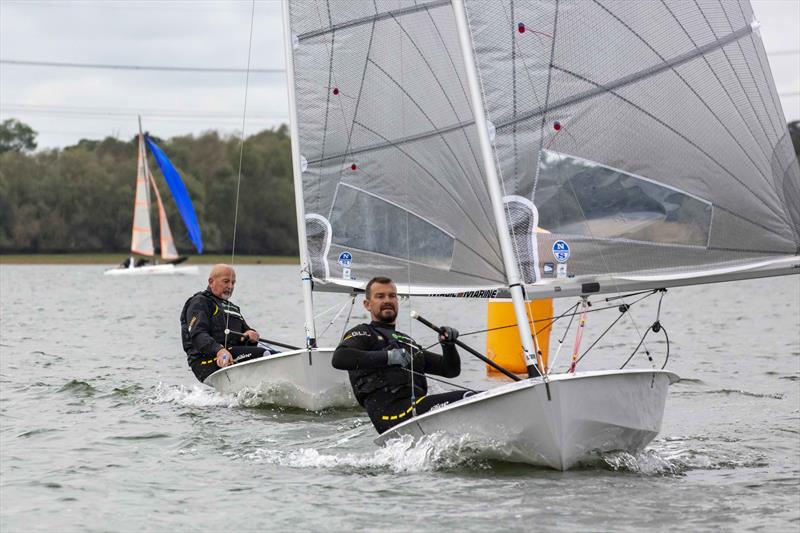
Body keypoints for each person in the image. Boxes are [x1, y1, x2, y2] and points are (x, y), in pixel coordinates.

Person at [333, 276, 469, 434]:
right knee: (468, 397)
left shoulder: (406, 341)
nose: (387, 300)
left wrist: (448, 346)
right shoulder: (363, 333)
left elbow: (450, 370)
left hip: (415, 409)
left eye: (392, 296)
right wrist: (389, 357)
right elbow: (339, 358)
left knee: (477, 397)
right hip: (390, 415)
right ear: (367, 304)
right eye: (380, 296)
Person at [180, 264, 268, 383]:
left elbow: (245, 331)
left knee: (276, 354)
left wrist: (252, 334)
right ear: (211, 282)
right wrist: (219, 350)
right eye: (226, 281)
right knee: (265, 354)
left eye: (233, 282)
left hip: (230, 355)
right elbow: (198, 335)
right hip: (206, 362)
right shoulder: (200, 302)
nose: (230, 286)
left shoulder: (232, 308)